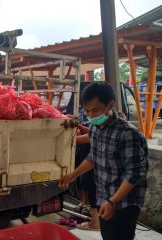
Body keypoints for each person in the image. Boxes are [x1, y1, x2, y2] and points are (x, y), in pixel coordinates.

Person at [59, 82, 148, 240]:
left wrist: (113, 201)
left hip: (124, 202)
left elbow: (134, 173)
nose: (91, 115)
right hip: (104, 196)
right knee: (107, 235)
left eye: (95, 110)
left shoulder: (128, 133)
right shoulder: (95, 128)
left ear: (110, 105)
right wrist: (71, 176)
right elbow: (93, 158)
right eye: (86, 111)